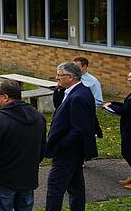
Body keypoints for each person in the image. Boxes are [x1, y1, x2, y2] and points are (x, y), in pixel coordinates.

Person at [0, 79, 46, 211]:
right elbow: (42, 147)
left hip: (3, 179)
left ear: (5, 97)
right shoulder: (38, 117)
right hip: (27, 177)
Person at [44, 62, 98, 211]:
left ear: (70, 77)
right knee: (76, 186)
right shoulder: (76, 91)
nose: (57, 78)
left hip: (68, 152)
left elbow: (79, 129)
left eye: (59, 75)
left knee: (55, 188)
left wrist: (61, 145)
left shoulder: (78, 96)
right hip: (74, 151)